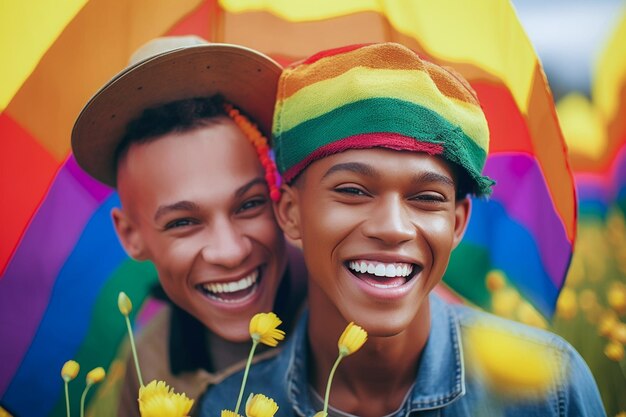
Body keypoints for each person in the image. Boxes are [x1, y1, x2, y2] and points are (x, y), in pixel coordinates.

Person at [199, 43, 606, 416]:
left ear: (458, 223)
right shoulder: (228, 406)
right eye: (353, 191)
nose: (393, 228)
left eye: (427, 198)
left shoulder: (551, 389)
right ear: (290, 213)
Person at [71, 36, 306, 416]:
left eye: (250, 204)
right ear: (131, 236)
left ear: (284, 200)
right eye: (183, 222)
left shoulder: (368, 307)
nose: (230, 252)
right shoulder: (148, 368)